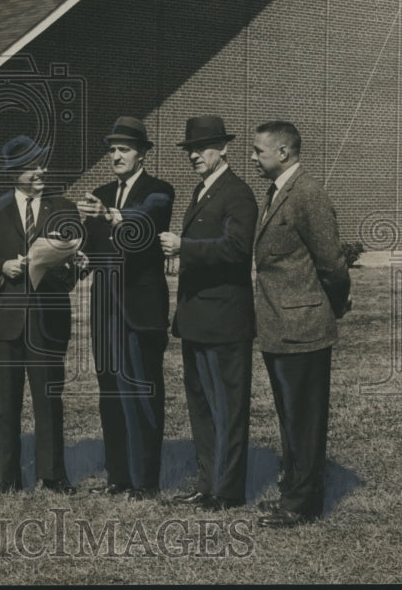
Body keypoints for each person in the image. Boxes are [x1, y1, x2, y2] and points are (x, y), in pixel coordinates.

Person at [251, 120, 352, 528]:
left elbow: (332, 263)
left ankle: (301, 504)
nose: (254, 159)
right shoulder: (276, 192)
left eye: (259, 151)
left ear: (284, 153)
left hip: (304, 327)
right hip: (279, 325)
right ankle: (293, 491)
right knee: (290, 414)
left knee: (304, 417)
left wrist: (331, 306)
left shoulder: (307, 193)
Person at [0, 136, 79, 495]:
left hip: (47, 320)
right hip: (6, 320)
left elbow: (72, 270)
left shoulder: (63, 208)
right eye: (33, 166)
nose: (41, 171)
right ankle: (6, 476)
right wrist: (2, 266)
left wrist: (66, 265)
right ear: (15, 173)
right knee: (5, 401)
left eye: (43, 164)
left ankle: (53, 474)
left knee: (49, 399)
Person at [161, 116, 258, 511]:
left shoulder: (237, 194)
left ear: (224, 149)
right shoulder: (203, 192)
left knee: (227, 409)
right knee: (201, 407)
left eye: (202, 148)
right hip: (198, 319)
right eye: (190, 150)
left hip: (225, 322)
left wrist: (184, 246)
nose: (194, 155)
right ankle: (208, 482)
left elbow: (236, 249)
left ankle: (228, 491)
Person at [77, 116, 174, 500]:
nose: (115, 156)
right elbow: (91, 247)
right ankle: (118, 477)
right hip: (105, 311)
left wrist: (109, 216)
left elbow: (145, 224)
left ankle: (145, 480)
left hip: (141, 310)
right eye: (112, 149)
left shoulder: (159, 192)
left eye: (124, 149)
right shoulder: (100, 193)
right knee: (111, 393)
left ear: (142, 154)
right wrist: (77, 256)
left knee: (143, 392)